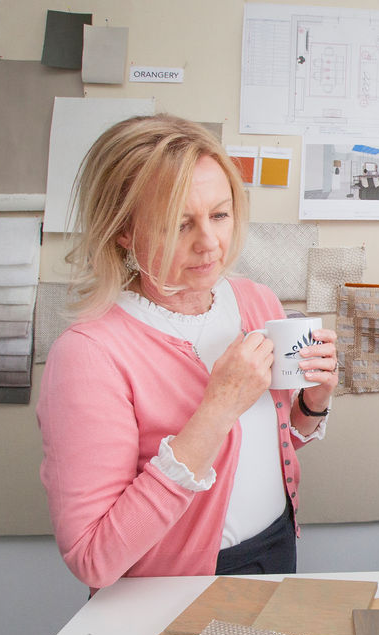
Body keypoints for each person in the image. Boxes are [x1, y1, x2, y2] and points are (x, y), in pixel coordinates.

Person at [37, 114, 338, 590]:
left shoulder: (256, 301)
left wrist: (312, 403)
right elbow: (93, 558)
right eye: (179, 224)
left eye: (219, 215)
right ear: (123, 230)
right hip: (174, 587)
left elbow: (264, 443)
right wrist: (218, 407)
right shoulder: (88, 355)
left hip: (278, 546)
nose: (209, 243)